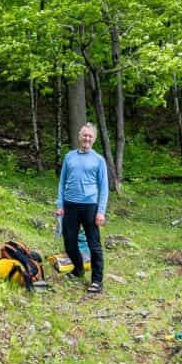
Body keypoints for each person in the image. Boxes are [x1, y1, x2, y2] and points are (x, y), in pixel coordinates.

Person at [56, 122, 108, 293]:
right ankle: (78, 269)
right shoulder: (69, 157)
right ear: (79, 137)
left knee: (94, 245)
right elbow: (62, 182)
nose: (87, 138)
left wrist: (100, 211)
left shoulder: (99, 160)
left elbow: (104, 188)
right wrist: (60, 205)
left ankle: (97, 281)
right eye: (84, 135)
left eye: (90, 136)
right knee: (69, 242)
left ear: (94, 139)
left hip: (90, 207)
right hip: (70, 206)